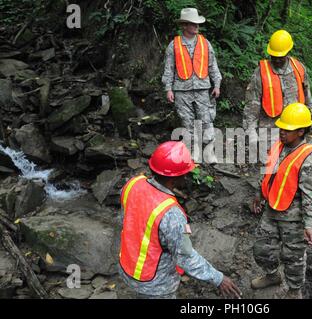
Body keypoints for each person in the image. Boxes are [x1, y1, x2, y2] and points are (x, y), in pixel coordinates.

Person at [118, 141, 241, 299]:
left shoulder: (132, 184)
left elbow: (129, 221)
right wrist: (219, 279)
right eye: (186, 173)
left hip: (127, 266)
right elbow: (185, 256)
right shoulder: (171, 214)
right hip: (155, 283)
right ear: (175, 179)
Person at [251, 103, 312, 299]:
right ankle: (272, 275)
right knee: (261, 248)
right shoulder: (278, 146)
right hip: (271, 210)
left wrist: (310, 225)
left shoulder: (309, 159)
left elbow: (311, 195)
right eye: (281, 128)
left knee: (293, 257)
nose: (282, 132)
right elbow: (268, 173)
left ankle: (294, 291)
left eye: (288, 129)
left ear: (301, 131)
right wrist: (259, 193)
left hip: (294, 218)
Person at [162, 8, 221, 164]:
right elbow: (168, 69)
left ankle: (209, 153)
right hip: (181, 91)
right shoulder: (173, 45)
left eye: (197, 24)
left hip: (202, 89)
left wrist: (217, 85)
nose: (196, 27)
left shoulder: (205, 43)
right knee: (187, 122)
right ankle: (193, 153)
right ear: (185, 25)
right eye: (193, 24)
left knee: (206, 120)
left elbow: (213, 66)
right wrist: (168, 89)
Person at [243, 30, 312, 145]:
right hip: (269, 132)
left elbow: (307, 98)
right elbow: (252, 105)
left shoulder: (299, 68)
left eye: (281, 56)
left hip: (295, 132)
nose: (277, 60)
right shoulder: (261, 73)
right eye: (274, 56)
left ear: (288, 52)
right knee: (269, 162)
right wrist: (251, 132)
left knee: (294, 161)